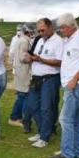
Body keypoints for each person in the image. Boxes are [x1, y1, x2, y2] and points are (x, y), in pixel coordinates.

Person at [50, 13, 79, 158]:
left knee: (65, 119)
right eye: (60, 28)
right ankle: (77, 151)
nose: (61, 30)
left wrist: (74, 79)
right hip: (72, 84)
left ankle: (67, 154)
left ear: (71, 26)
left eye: (63, 28)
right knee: (75, 120)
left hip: (76, 84)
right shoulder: (70, 40)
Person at [26, 18, 63, 148]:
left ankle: (44, 138)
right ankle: (43, 130)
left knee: (47, 107)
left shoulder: (58, 41)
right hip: (36, 77)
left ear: (50, 27)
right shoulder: (39, 40)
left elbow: (59, 61)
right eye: (39, 30)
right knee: (31, 105)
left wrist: (41, 59)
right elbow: (34, 56)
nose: (41, 32)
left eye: (43, 30)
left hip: (50, 78)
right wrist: (31, 58)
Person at [9, 24, 34, 129]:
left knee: (22, 95)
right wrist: (34, 58)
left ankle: (18, 117)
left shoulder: (21, 40)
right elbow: (23, 57)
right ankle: (15, 117)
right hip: (23, 71)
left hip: (21, 71)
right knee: (23, 95)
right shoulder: (24, 41)